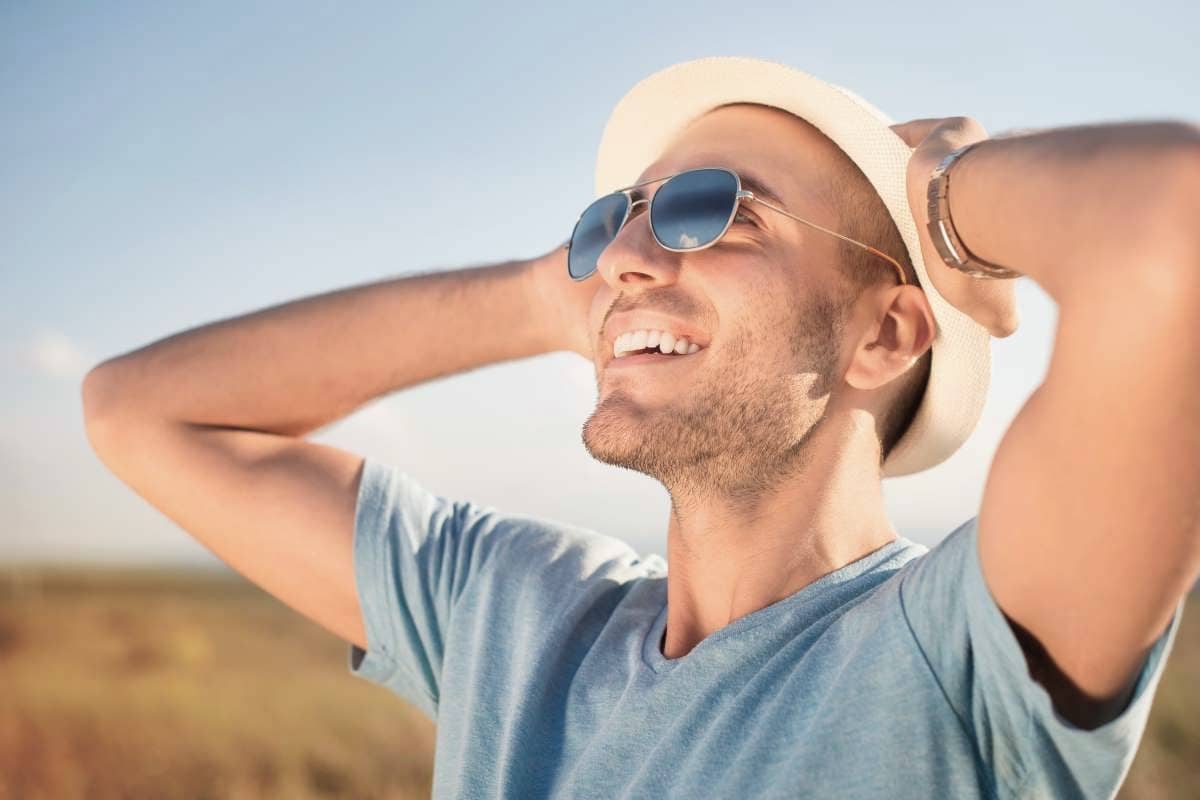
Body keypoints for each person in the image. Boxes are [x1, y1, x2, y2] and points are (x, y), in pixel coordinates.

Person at [82, 56, 1198, 799]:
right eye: (613, 218)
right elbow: (136, 408)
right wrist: (552, 293)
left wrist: (948, 200)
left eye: (717, 209)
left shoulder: (957, 652)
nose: (625, 253)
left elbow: (1174, 222)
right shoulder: (513, 616)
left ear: (885, 334)